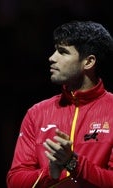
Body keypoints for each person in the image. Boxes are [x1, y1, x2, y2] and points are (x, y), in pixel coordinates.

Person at [7, 20, 113, 187]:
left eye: (62, 52)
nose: (52, 58)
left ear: (88, 62)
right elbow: (15, 181)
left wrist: (73, 163)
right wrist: (51, 172)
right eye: (55, 50)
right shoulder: (37, 113)